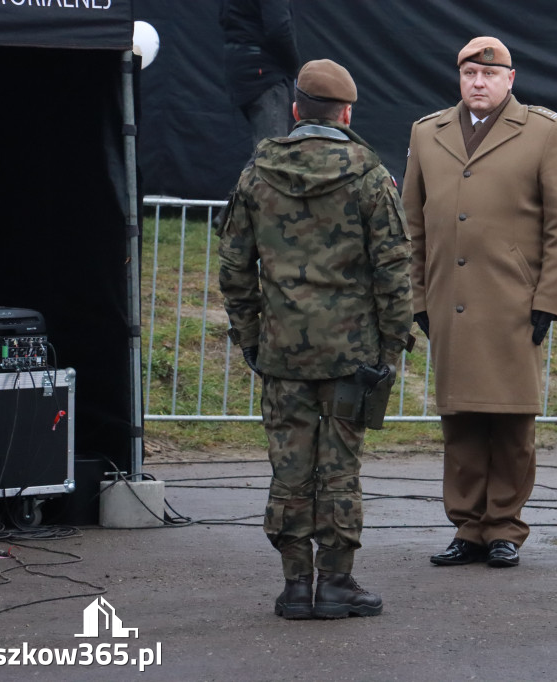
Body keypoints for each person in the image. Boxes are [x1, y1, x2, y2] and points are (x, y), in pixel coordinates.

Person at [217, 59, 414, 619]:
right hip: (353, 357)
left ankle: (294, 585)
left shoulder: (256, 175)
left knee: (290, 466)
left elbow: (234, 269)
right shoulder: (371, 177)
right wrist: (391, 349)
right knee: (340, 467)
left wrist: (252, 339)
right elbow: (394, 271)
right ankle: (336, 582)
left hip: (282, 354)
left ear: (297, 109)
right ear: (347, 112)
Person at [402, 37, 557, 569]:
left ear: (510, 78)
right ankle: (468, 528)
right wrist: (417, 296)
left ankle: (504, 526)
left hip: (512, 303)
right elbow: (412, 224)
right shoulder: (427, 132)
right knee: (459, 421)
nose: (478, 83)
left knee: (510, 422)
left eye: (489, 74)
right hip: (449, 301)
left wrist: (549, 298)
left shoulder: (545, 131)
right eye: (469, 75)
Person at [219, 0, 301, 146]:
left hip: (242, 69)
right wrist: (294, 67)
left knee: (267, 152)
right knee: (272, 154)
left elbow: (225, 18)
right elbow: (279, 29)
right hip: (264, 75)